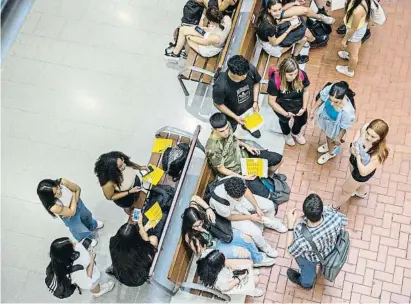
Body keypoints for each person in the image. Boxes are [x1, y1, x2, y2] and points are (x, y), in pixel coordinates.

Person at [182, 195, 276, 267]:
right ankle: (254, 261)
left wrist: (208, 209)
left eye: (200, 223)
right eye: (196, 226)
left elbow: (194, 197)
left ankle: (258, 258)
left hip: (219, 234)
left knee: (246, 238)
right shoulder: (190, 237)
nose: (200, 226)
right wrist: (202, 233)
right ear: (189, 225)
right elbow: (202, 253)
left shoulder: (194, 210)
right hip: (214, 248)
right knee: (240, 251)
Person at [206, 112, 283, 195]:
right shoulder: (212, 148)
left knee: (278, 158)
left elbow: (233, 139)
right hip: (237, 172)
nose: (226, 132)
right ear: (214, 129)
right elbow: (222, 169)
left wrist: (247, 146)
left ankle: (266, 176)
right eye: (222, 131)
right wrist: (243, 177)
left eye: (227, 128)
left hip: (244, 157)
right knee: (265, 193)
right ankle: (260, 178)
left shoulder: (226, 125)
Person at [209, 176, 287, 257]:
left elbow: (246, 191)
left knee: (269, 205)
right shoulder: (220, 203)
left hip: (239, 200)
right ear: (231, 195)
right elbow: (230, 217)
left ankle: (271, 222)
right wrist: (250, 217)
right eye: (238, 197)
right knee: (256, 232)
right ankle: (264, 247)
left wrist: (257, 207)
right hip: (231, 212)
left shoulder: (235, 181)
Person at [286, 194, 348, 290]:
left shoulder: (302, 237)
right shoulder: (335, 217)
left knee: (307, 270)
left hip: (312, 258)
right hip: (330, 250)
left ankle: (306, 284)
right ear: (321, 209)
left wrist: (290, 225)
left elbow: (291, 251)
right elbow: (344, 221)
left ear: (305, 214)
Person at [333, 119, 389, 209]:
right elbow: (358, 135)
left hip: (361, 172)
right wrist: (353, 146)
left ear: (380, 138)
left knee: (346, 191)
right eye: (368, 133)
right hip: (353, 160)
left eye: (373, 137)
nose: (368, 138)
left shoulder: (378, 153)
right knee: (355, 178)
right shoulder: (365, 128)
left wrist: (358, 155)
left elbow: (363, 172)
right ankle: (361, 192)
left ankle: (334, 207)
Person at [256, 0, 333, 62]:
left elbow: (278, 19)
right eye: (275, 11)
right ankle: (313, 40)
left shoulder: (270, 14)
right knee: (303, 33)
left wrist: (289, 19)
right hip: (273, 46)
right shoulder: (267, 26)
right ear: (269, 10)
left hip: (275, 33)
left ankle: (296, 56)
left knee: (303, 37)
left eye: (279, 9)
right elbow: (274, 43)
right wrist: (289, 29)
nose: (278, 12)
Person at [37, 178, 103, 247]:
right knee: (79, 228)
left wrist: (74, 201)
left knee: (87, 215)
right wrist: (73, 194)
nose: (59, 191)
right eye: (55, 193)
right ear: (49, 197)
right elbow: (71, 212)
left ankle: (92, 225)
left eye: (57, 188)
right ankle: (87, 238)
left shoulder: (62, 182)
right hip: (70, 217)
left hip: (78, 204)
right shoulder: (53, 207)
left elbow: (78, 189)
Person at [212, 55, 262, 137]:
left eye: (246, 73)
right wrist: (235, 117)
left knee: (250, 122)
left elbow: (256, 82)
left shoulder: (248, 68)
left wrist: (255, 101)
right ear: (232, 73)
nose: (245, 76)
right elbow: (218, 104)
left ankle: (249, 127)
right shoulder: (220, 85)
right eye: (242, 75)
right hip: (231, 113)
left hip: (249, 107)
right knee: (230, 130)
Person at [48, 237, 115, 297]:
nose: (75, 243)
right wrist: (92, 260)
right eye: (72, 245)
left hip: (83, 271)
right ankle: (97, 292)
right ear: (67, 252)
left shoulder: (58, 258)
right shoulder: (75, 270)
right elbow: (88, 282)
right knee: (94, 285)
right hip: (88, 278)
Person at [267, 57, 310, 146]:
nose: (294, 77)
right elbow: (271, 102)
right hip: (282, 105)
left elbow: (306, 91)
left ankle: (296, 132)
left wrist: (304, 108)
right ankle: (286, 134)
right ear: (283, 72)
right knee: (284, 121)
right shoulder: (274, 82)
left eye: (295, 73)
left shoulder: (302, 75)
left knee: (302, 120)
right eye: (290, 74)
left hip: (298, 103)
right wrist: (285, 113)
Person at [310, 81, 356, 164]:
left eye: (336, 102)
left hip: (334, 125)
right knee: (327, 135)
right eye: (330, 99)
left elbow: (344, 126)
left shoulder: (348, 111)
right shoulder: (331, 88)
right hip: (326, 118)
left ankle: (331, 152)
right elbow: (321, 98)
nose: (331, 103)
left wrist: (338, 138)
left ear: (343, 97)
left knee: (331, 138)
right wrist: (313, 110)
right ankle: (329, 145)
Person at [165, 7, 232, 60]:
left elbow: (203, 42)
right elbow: (216, 29)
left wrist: (190, 37)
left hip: (208, 48)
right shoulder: (227, 18)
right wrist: (204, 29)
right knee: (183, 29)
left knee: (187, 37)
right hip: (210, 36)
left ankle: (182, 53)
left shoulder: (216, 38)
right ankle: (177, 51)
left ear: (211, 21)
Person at [106, 222, 157, 287]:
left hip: (120, 275)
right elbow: (148, 244)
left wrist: (144, 228)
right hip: (137, 279)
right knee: (153, 239)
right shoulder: (139, 250)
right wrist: (141, 225)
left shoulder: (113, 242)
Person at [197, 250, 265, 297]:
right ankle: (251, 290)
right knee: (256, 280)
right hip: (228, 285)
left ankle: (250, 274)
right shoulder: (220, 280)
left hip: (228, 274)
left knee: (249, 263)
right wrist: (239, 278)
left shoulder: (206, 262)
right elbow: (227, 287)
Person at [336, 0, 371, 77]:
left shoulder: (358, 10)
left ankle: (350, 70)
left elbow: (353, 28)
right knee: (355, 46)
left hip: (355, 31)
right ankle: (349, 55)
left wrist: (344, 39)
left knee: (354, 53)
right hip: (358, 26)